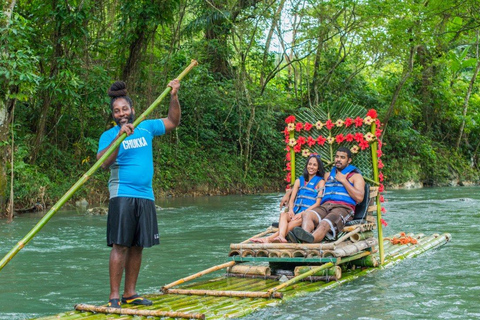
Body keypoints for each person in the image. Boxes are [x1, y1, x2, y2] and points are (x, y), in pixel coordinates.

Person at [97, 79, 181, 308]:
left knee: (138, 245)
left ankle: (130, 294)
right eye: (117, 111)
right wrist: (119, 136)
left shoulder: (146, 126)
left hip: (146, 195)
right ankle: (114, 297)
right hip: (122, 193)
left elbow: (173, 121)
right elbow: (103, 163)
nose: (121, 114)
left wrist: (173, 96)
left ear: (133, 110)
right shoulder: (109, 135)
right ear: (113, 115)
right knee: (120, 244)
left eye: (125, 109)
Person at [291, 147, 365, 243]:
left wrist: (344, 181)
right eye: (337, 157)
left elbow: (360, 198)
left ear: (349, 160)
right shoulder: (327, 175)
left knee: (324, 223)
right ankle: (306, 241)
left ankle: (307, 243)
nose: (338, 159)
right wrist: (289, 193)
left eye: (342, 157)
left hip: (343, 208)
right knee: (307, 214)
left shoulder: (356, 176)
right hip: (325, 207)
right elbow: (309, 182)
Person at [251, 154, 325, 243]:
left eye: (314, 165)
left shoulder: (320, 182)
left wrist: (302, 213)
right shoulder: (299, 181)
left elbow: (317, 203)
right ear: (306, 166)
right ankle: (281, 236)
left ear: (318, 168)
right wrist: (291, 211)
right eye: (310, 164)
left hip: (306, 214)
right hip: (295, 211)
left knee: (292, 223)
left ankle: (269, 239)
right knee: (283, 215)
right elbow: (292, 199)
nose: (311, 167)